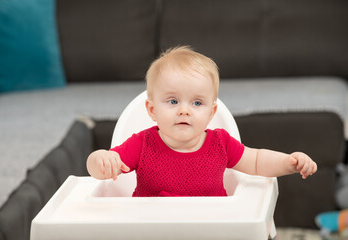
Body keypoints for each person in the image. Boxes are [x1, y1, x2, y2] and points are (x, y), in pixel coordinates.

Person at [86, 46, 317, 197]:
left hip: (211, 229)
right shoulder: (142, 144)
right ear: (152, 110)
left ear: (211, 112)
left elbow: (256, 161)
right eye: (173, 101)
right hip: (153, 230)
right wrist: (101, 160)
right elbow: (101, 170)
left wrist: (289, 162)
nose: (184, 111)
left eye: (197, 103)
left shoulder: (220, 143)